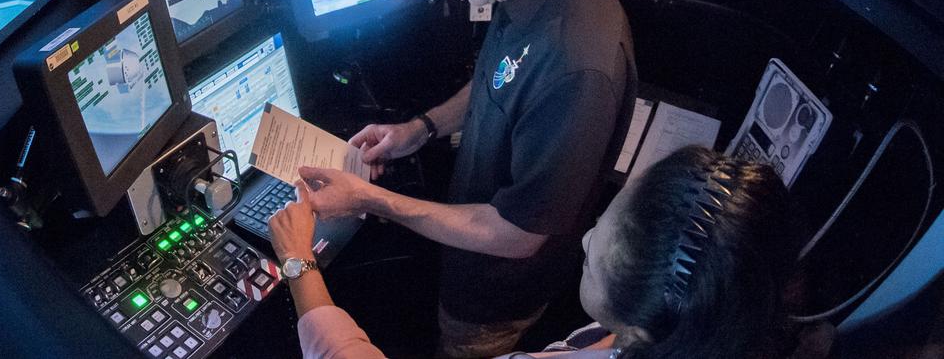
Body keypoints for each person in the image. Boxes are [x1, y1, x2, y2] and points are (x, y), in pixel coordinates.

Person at [300, 0, 637, 357]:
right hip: (465, 252)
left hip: (494, 292)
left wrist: (370, 199)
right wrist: (419, 130)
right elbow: (493, 78)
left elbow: (517, 234)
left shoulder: (578, 63)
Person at [268, 146, 798, 359]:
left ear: (646, 310)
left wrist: (299, 264)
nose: (587, 236)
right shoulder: (687, 331)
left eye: (604, 236)